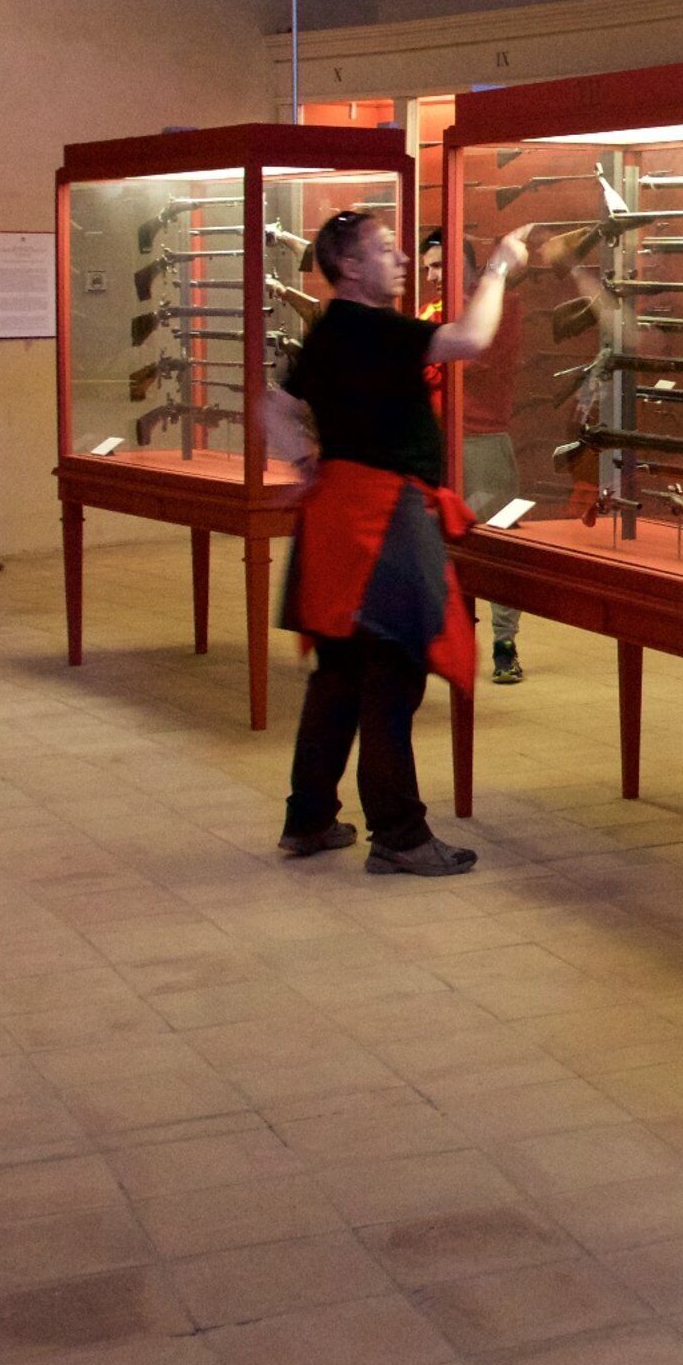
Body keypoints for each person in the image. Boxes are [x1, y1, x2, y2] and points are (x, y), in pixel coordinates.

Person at [266, 208, 531, 876]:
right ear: (351, 267)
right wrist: (498, 267)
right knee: (391, 677)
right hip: (381, 520)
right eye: (386, 250)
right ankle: (401, 834)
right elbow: (471, 339)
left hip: (338, 517)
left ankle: (310, 819)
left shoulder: (332, 330)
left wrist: (303, 462)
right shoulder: (377, 330)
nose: (403, 259)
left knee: (339, 676)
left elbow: (270, 403)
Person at [421, 228, 526, 686]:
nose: (433, 275)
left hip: (483, 442)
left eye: (441, 266)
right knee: (437, 546)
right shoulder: (431, 312)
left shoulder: (502, 305)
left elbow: (473, 359)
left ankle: (505, 642)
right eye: (428, 268)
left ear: (466, 263)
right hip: (439, 445)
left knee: (498, 548)